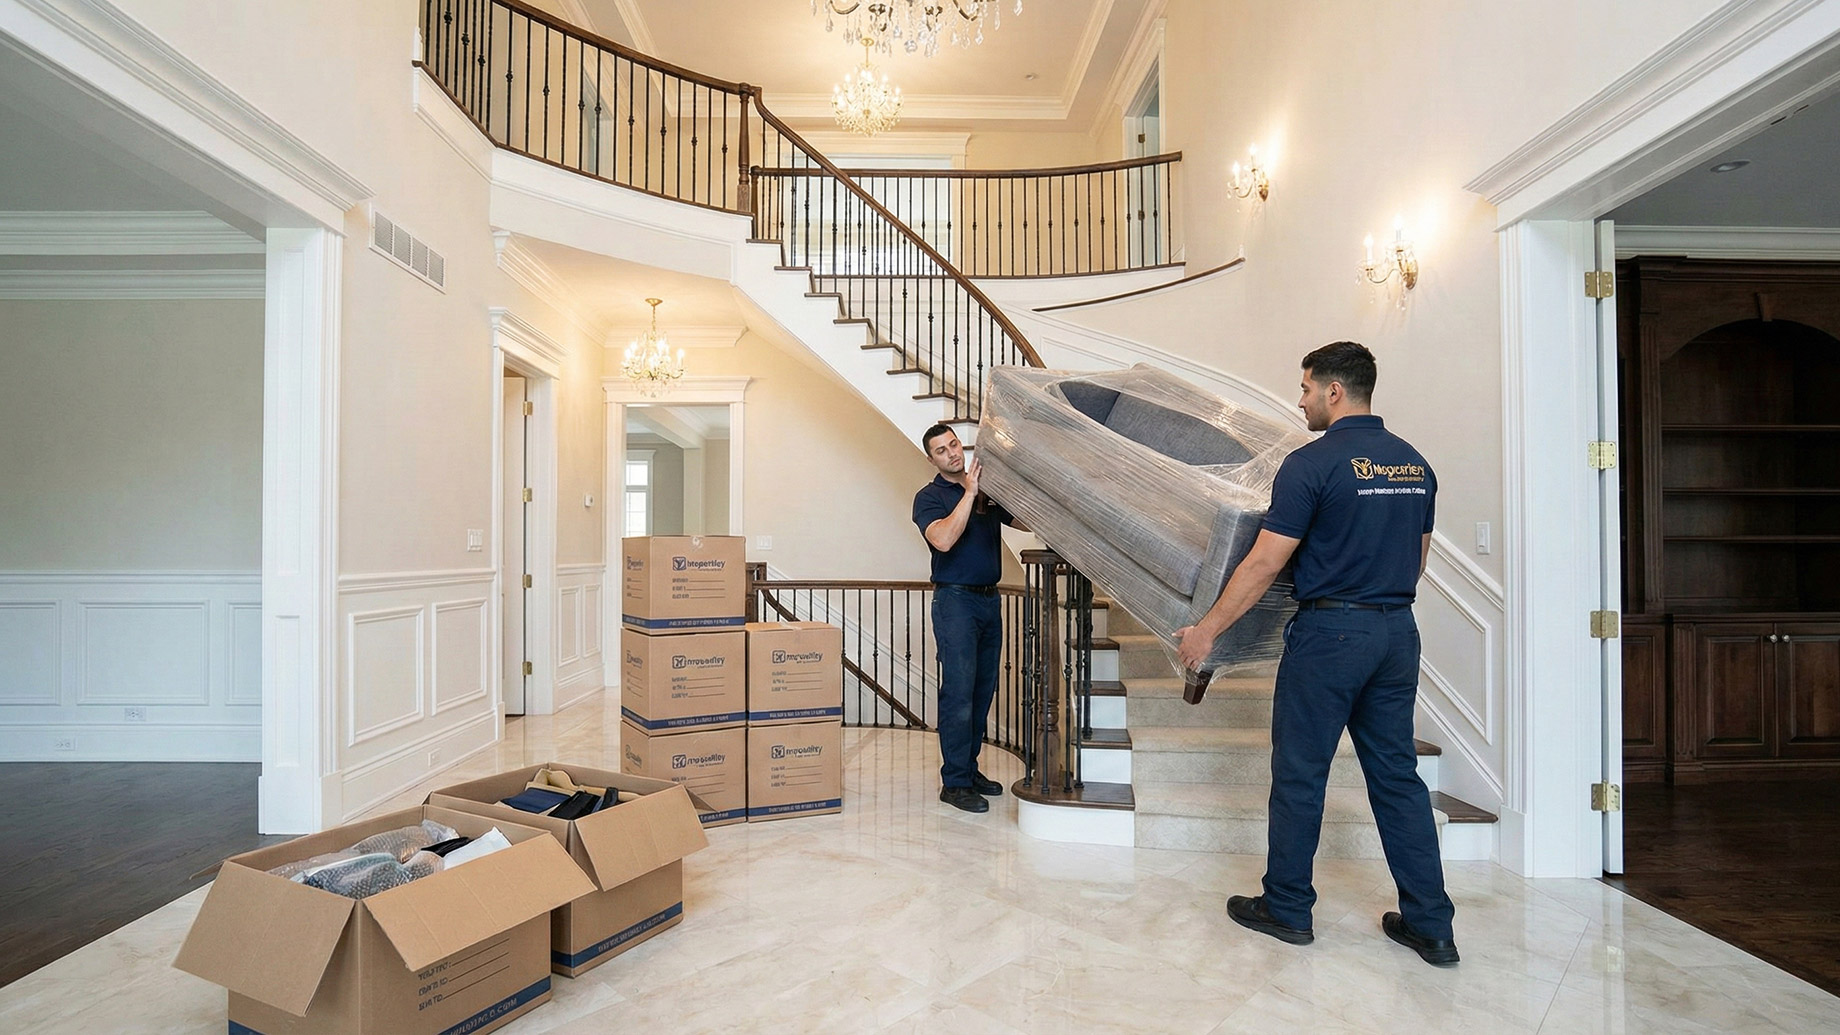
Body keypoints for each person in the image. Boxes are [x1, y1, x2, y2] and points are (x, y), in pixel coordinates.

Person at [1175, 341, 1458, 967]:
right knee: (1397, 777)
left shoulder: (1312, 463)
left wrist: (1207, 630)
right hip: (1395, 633)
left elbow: (1264, 562)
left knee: (1302, 773)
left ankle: (1288, 908)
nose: (1299, 399)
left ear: (1334, 391)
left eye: (1305, 388)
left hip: (1331, 637)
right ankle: (1431, 925)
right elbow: (1417, 558)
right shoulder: (1414, 463)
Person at [913, 423, 1020, 814]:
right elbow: (942, 539)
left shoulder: (986, 489)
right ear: (932, 459)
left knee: (981, 691)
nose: (952, 453)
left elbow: (1022, 522)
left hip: (989, 602)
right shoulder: (928, 498)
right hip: (955, 603)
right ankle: (954, 782)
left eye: (954, 445)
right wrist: (969, 494)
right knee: (958, 694)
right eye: (941, 451)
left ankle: (969, 769)